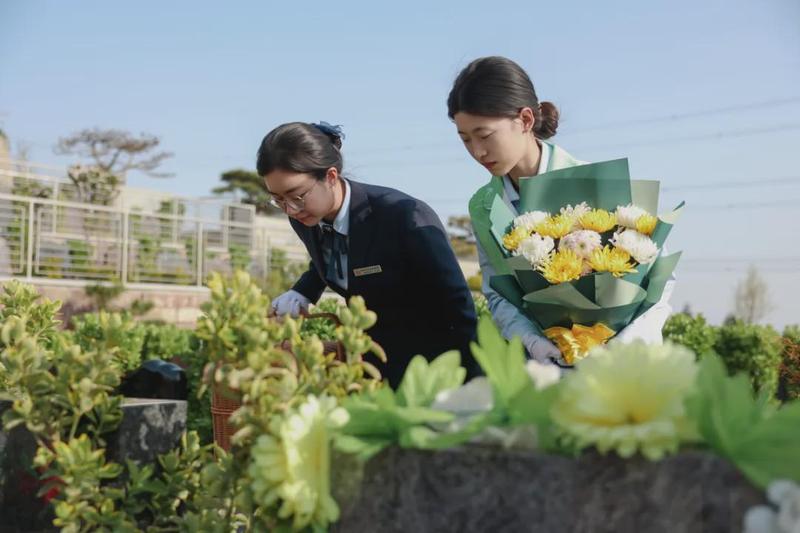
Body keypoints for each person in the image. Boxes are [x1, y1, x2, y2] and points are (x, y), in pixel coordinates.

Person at [448, 56, 674, 364]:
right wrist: (530, 341)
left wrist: (626, 341)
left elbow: (659, 278)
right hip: (544, 367)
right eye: (465, 139)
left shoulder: (596, 184)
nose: (477, 151)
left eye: (485, 135)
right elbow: (497, 292)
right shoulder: (485, 206)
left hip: (625, 363)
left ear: (526, 120)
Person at [257, 121, 479, 386]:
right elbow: (335, 254)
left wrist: (472, 382)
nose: (290, 209)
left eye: (296, 195)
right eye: (278, 199)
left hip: (431, 369)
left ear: (329, 176)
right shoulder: (306, 218)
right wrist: (304, 290)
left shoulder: (404, 216)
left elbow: (457, 307)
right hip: (370, 365)